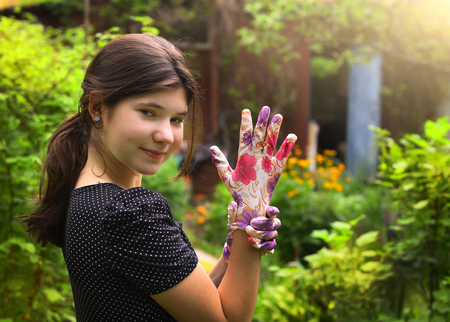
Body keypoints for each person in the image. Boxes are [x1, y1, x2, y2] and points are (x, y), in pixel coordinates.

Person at [22, 33, 296, 322]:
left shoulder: (85, 195)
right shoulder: (128, 213)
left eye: (176, 119)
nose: (166, 136)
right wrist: (250, 218)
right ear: (97, 107)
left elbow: (189, 304)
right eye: (148, 112)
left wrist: (231, 254)